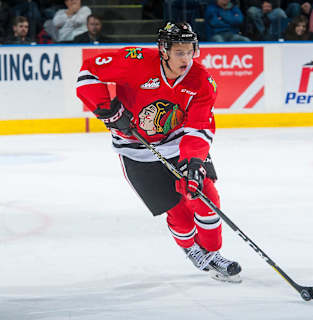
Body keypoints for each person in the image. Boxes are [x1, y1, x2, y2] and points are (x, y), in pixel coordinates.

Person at [76, 22, 242, 283]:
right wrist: (108, 111)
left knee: (206, 195)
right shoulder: (136, 61)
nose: (186, 59)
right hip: (135, 151)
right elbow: (88, 72)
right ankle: (190, 248)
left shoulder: (201, 81)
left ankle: (212, 253)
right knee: (178, 213)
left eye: (190, 51)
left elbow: (199, 126)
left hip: (178, 144)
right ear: (163, 50)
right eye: (179, 52)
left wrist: (194, 161)